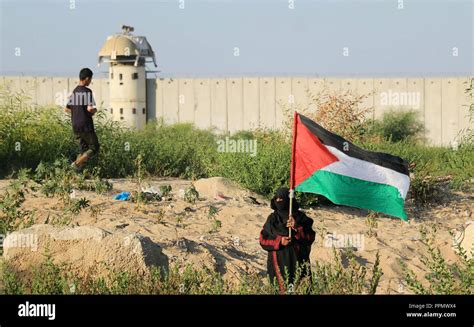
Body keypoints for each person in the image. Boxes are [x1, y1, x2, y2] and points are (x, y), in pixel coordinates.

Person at [259, 187, 316, 293]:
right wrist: (279, 241)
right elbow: (263, 240)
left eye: (283, 198)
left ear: (290, 200)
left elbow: (310, 237)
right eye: (277, 198)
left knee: (300, 289)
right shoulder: (272, 220)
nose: (279, 201)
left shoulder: (301, 218)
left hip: (299, 262)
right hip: (278, 262)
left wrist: (297, 228)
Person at [64, 68, 99, 172]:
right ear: (87, 78)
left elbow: (67, 109)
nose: (90, 81)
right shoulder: (88, 91)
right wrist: (95, 110)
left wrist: (77, 112)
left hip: (75, 125)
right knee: (94, 147)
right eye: (90, 79)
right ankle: (76, 164)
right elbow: (90, 109)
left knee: (83, 150)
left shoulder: (75, 92)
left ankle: (75, 174)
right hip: (86, 125)